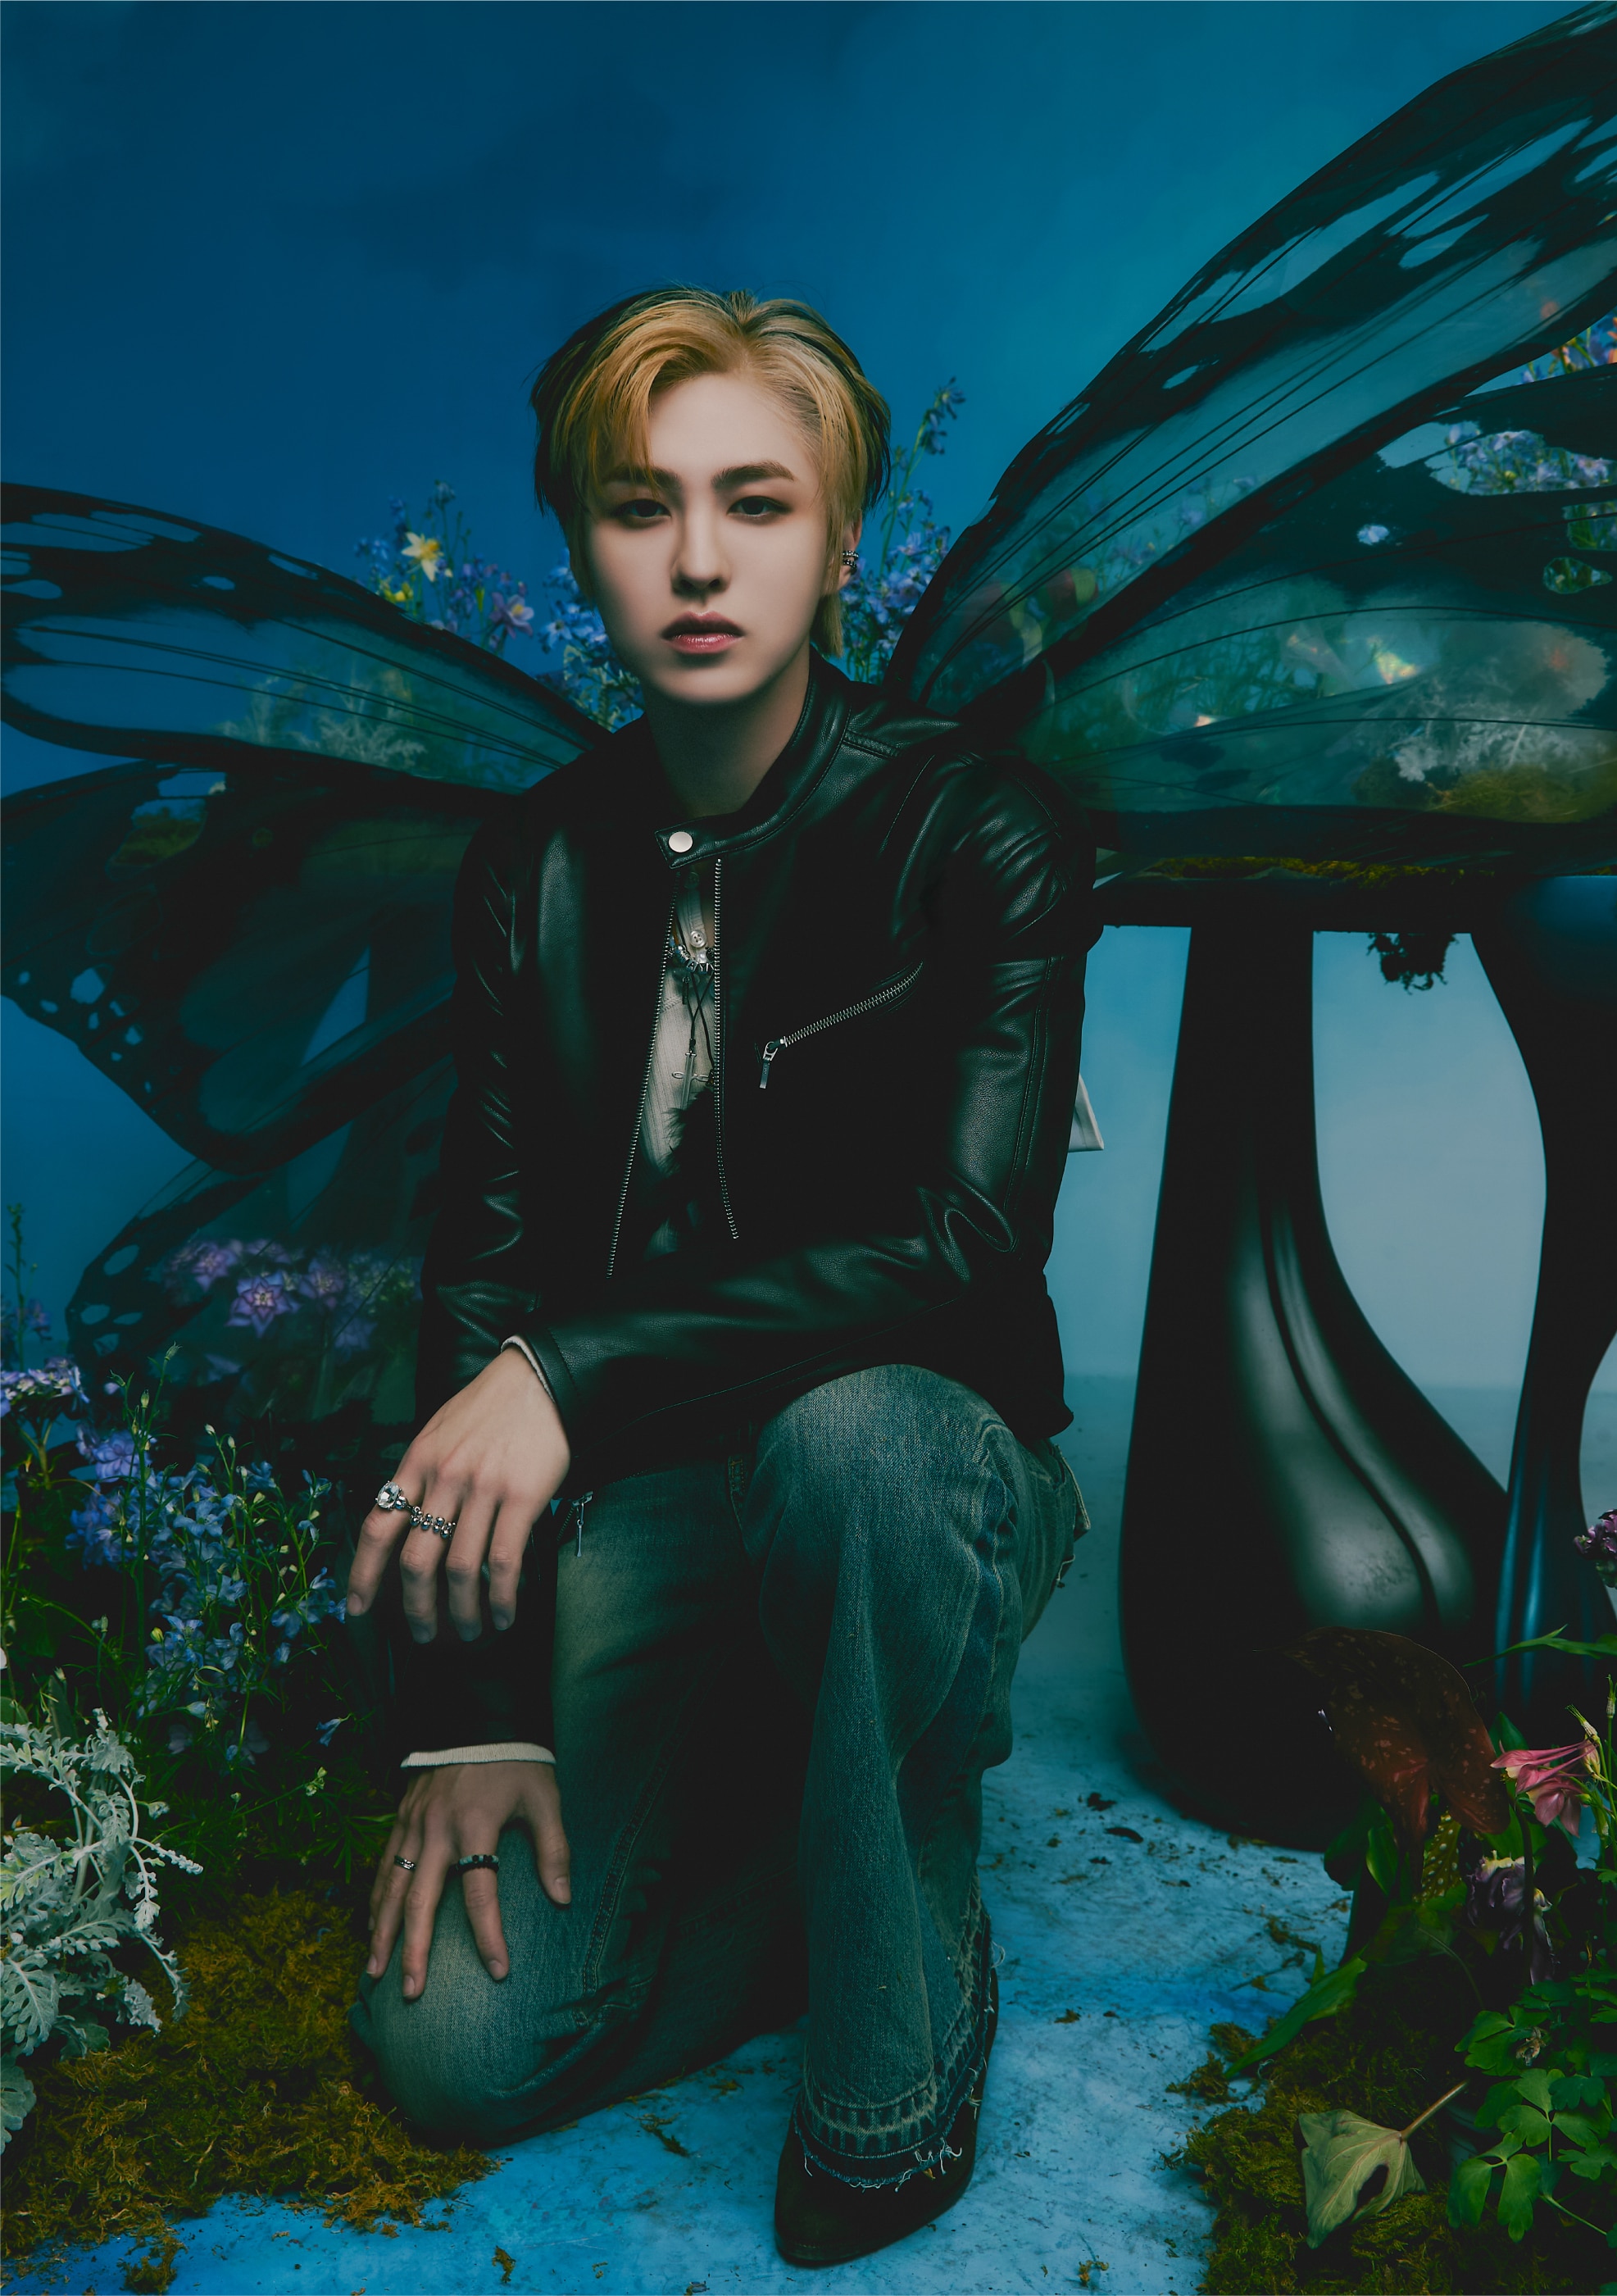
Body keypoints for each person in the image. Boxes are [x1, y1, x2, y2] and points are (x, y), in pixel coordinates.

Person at [344, 284, 1096, 2267]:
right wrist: (470, 1716)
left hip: (918, 1473)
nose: (695, 560)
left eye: (754, 503)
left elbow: (960, 1250)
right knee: (453, 2054)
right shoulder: (531, 866)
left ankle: (890, 2069)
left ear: (839, 544)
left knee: (850, 1450)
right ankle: (819, 1850)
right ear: (582, 544)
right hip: (655, 1505)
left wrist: (569, 1370)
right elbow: (476, 1274)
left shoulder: (977, 829)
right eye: (638, 506)